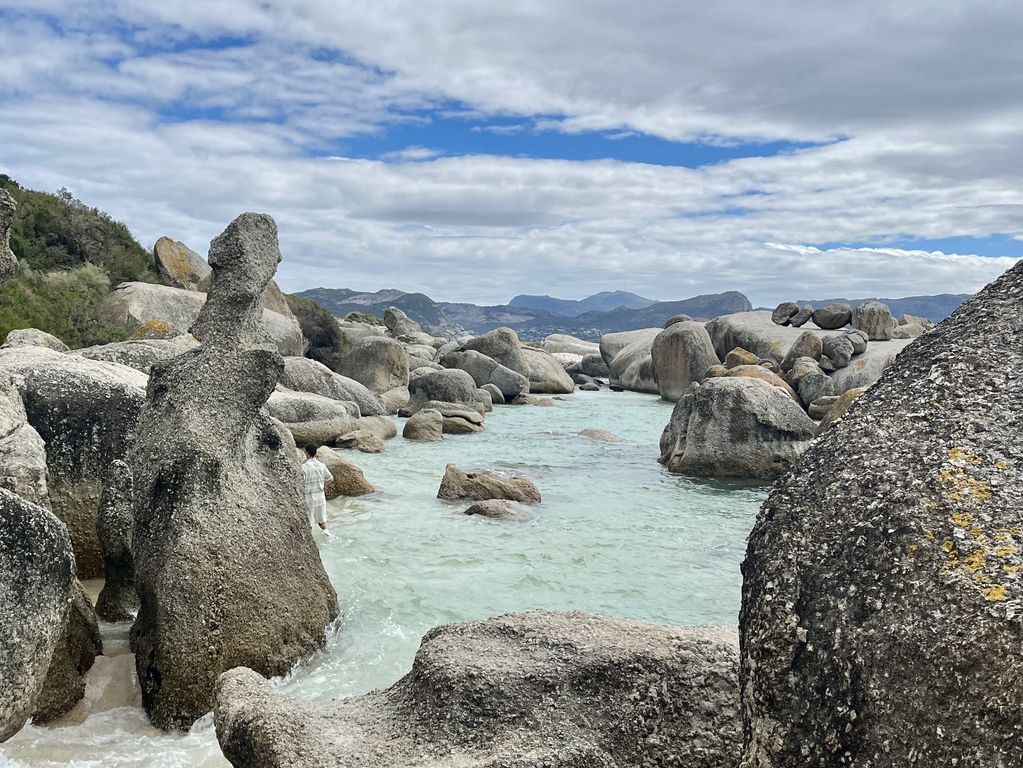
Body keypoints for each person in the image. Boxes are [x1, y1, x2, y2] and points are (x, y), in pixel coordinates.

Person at [301, 443, 333, 538]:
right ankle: (327, 533)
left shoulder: (304, 467)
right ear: (315, 453)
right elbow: (330, 478)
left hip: (308, 496)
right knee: (322, 519)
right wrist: (322, 485)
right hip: (320, 495)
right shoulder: (322, 465)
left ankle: (310, 539)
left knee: (309, 521)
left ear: (306, 453)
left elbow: (301, 482)